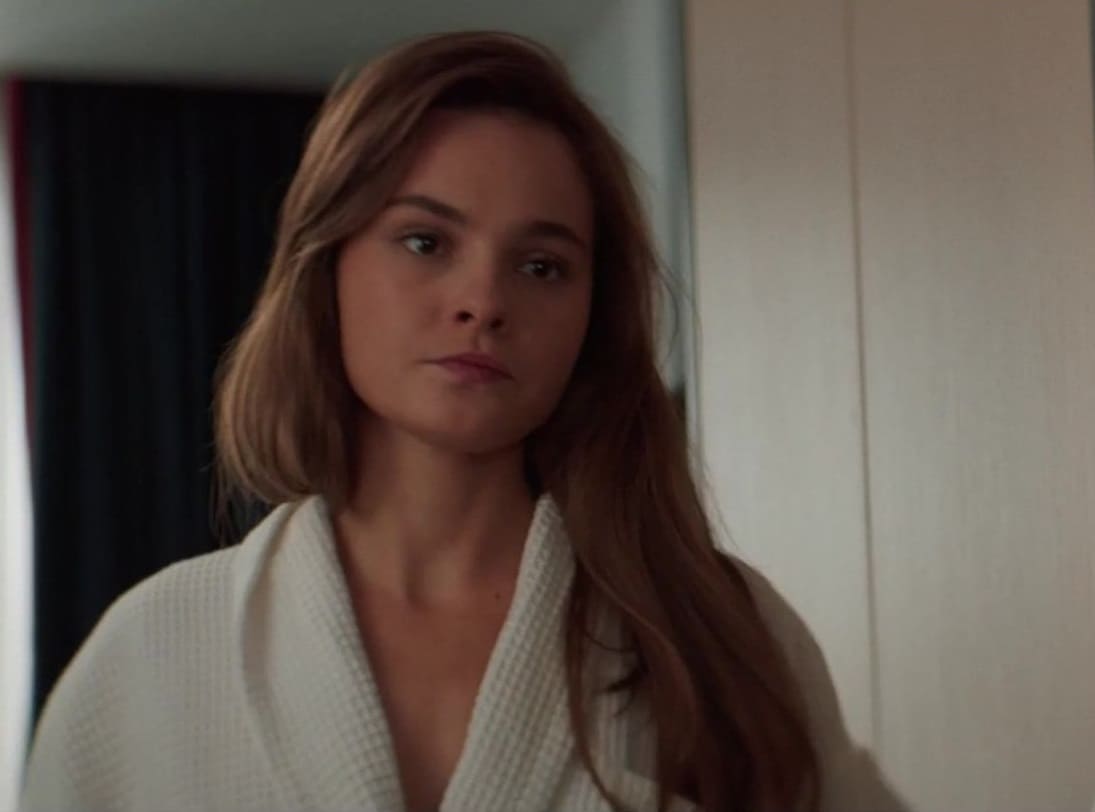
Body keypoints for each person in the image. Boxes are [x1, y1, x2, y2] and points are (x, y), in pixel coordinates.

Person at [19, 31, 907, 812]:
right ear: (326, 268)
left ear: (592, 316)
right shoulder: (152, 657)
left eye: (541, 265)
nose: (483, 300)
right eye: (424, 242)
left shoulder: (723, 634)